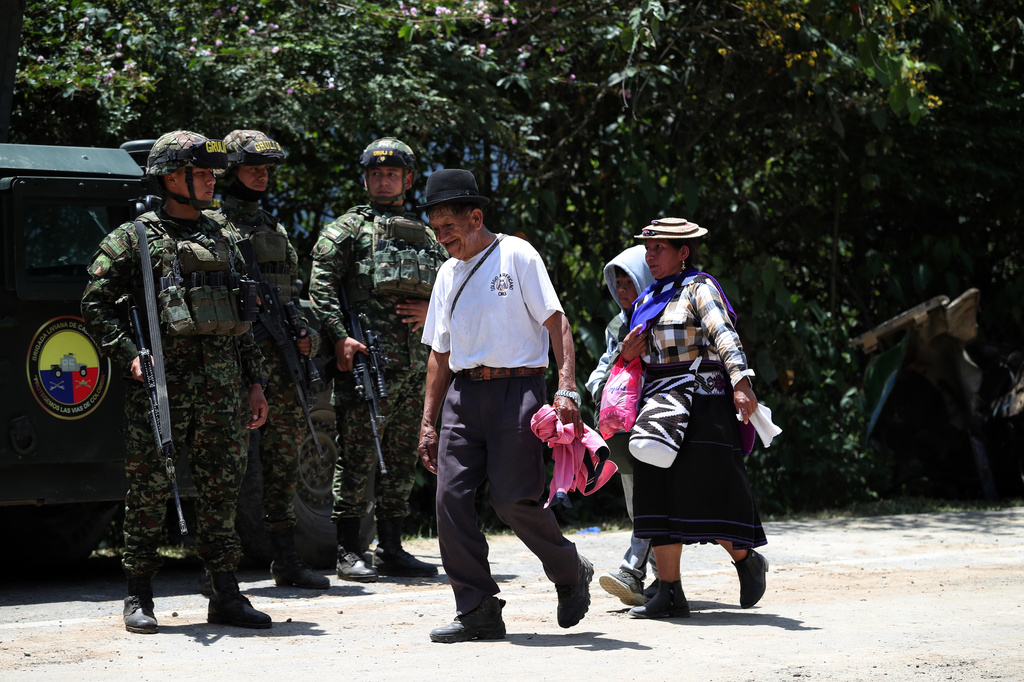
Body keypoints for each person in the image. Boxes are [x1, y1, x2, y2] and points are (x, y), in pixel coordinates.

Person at [82, 130, 273, 633]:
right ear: (172, 178)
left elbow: (243, 317)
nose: (212, 182)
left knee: (221, 490)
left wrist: (254, 383)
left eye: (213, 174)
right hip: (163, 390)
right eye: (203, 173)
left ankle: (225, 593)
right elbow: (94, 304)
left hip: (224, 388)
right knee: (148, 490)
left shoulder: (225, 235)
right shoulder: (134, 237)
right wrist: (130, 355)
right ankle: (139, 595)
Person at [416, 168, 593, 643]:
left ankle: (570, 568)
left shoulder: (517, 254)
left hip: (519, 391)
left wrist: (567, 387)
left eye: (449, 227)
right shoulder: (446, 273)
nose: (443, 238)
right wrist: (428, 421)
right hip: (463, 396)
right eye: (436, 231)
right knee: (449, 498)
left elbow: (557, 322)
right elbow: (440, 352)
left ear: (476, 217)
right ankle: (476, 608)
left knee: (513, 500)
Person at [309, 137, 448, 582]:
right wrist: (340, 338)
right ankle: (350, 550)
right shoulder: (347, 230)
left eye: (392, 174)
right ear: (366, 178)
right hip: (368, 363)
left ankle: (391, 547)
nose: (383, 180)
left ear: (407, 180)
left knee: (403, 457)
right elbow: (321, 287)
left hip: (416, 366)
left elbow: (455, 285)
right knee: (358, 456)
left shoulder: (429, 234)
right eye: (376, 173)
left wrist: (433, 312)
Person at [620, 217, 768, 619]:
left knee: (704, 495)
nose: (650, 257)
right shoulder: (649, 297)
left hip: (702, 403)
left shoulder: (698, 288)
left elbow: (724, 334)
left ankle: (746, 560)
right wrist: (630, 352)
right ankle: (669, 592)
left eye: (659, 249)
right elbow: (635, 358)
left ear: (683, 252)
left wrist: (741, 381)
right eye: (647, 250)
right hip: (657, 406)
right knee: (658, 496)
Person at [218, 129, 329, 590]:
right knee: (225, 463)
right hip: (234, 363)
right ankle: (219, 568)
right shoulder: (213, 225)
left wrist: (308, 337)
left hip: (281, 364)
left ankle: (285, 557)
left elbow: (295, 295)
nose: (262, 177)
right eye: (252, 169)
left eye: (266, 170)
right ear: (230, 172)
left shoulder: (274, 228)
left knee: (283, 462)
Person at [584, 245, 658, 606]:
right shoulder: (618, 324)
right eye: (617, 281)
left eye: (630, 279)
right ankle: (662, 581)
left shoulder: (666, 316)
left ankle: (633, 572)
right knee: (638, 505)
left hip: (664, 423)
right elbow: (599, 373)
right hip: (627, 428)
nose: (623, 288)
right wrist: (613, 373)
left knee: (652, 500)